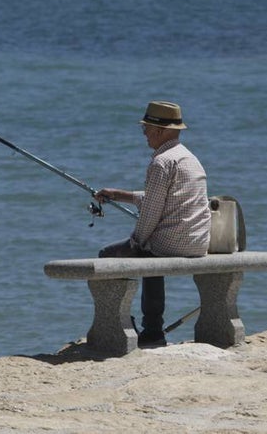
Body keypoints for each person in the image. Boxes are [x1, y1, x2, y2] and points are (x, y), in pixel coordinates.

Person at [95, 100, 211, 347]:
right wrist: (120, 194)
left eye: (146, 128)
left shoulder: (161, 162)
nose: (144, 134)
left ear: (160, 131)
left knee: (109, 255)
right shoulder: (189, 158)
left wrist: (135, 242)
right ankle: (153, 330)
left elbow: (151, 213)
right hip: (198, 241)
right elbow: (164, 198)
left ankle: (123, 325)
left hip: (171, 243)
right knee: (150, 251)